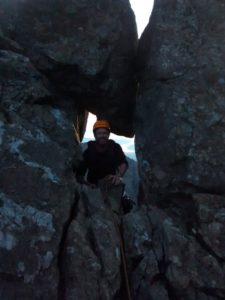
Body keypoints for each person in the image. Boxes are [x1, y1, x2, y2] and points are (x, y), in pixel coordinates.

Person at [76, 120, 128, 188]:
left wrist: (119, 176)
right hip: (93, 186)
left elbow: (123, 162)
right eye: (99, 133)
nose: (102, 136)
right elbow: (80, 175)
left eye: (105, 133)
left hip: (112, 183)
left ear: (108, 134)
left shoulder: (114, 147)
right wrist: (88, 185)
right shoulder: (89, 150)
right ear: (94, 135)